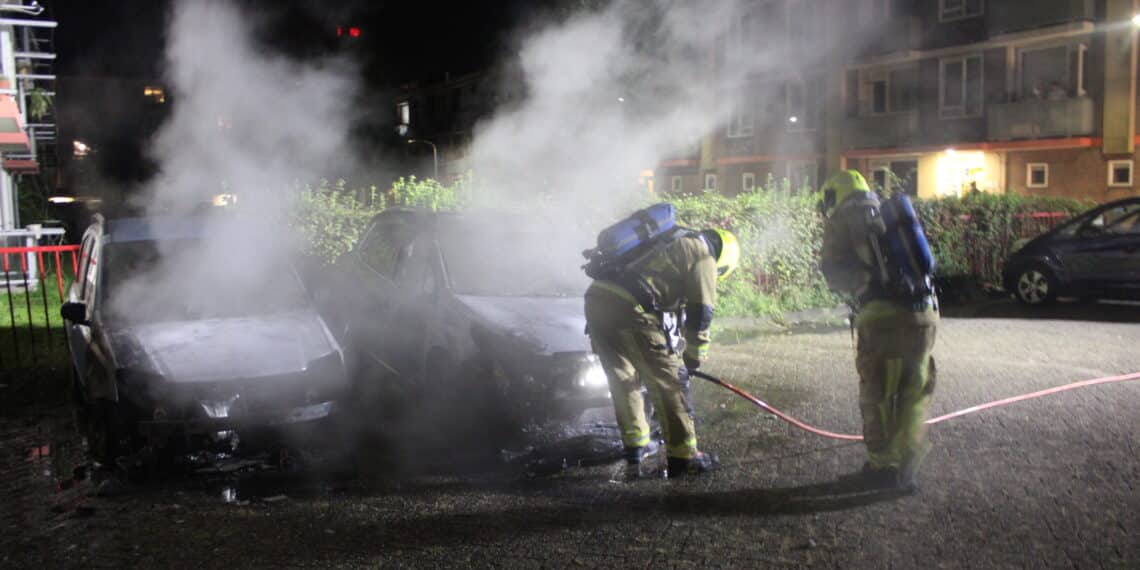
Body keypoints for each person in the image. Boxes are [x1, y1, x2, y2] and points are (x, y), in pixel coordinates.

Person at [818, 170, 939, 492]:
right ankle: (907, 465)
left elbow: (832, 272)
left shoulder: (842, 219)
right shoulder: (891, 214)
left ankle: (883, 468)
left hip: (884, 321)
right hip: (926, 315)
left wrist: (861, 285)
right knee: (913, 392)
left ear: (833, 194)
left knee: (879, 397)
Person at [584, 225, 739, 477]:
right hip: (629, 306)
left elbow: (670, 310)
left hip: (597, 299)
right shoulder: (704, 257)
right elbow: (701, 313)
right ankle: (684, 458)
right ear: (724, 264)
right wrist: (693, 358)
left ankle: (636, 445)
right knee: (670, 383)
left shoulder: (670, 240)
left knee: (623, 377)